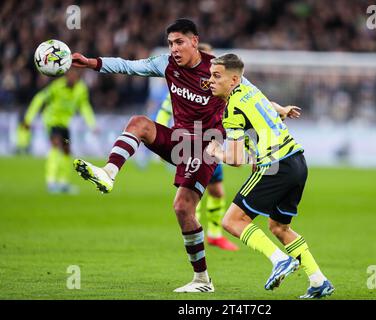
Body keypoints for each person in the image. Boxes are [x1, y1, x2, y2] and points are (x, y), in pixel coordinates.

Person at [70, 18, 297, 293]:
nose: (174, 49)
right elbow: (128, 66)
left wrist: (280, 109)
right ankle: (108, 173)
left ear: (194, 41)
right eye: (170, 43)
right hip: (178, 141)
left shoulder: (216, 71)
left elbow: (253, 96)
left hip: (206, 147)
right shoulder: (166, 64)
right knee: (139, 123)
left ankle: (202, 280)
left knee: (182, 208)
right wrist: (92, 63)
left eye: (179, 42)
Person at [205, 54, 334, 299]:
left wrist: (216, 151)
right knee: (279, 227)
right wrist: (283, 109)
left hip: (276, 166)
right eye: (211, 75)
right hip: (297, 161)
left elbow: (235, 159)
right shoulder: (249, 88)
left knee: (232, 221)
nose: (210, 80)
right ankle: (318, 281)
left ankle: (279, 260)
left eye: (216, 76)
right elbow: (268, 103)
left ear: (233, 80)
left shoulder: (232, 108)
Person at [155, 43, 237, 251]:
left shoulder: (220, 90)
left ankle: (215, 235)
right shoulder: (179, 90)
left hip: (212, 144)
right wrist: (162, 139)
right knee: (192, 194)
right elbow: (163, 113)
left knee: (217, 191)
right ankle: (193, 226)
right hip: (189, 143)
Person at [23, 69, 96, 193]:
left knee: (67, 150)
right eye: (70, 75)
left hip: (65, 125)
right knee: (56, 146)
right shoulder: (57, 86)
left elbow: (84, 106)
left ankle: (63, 182)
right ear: (66, 75)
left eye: (75, 75)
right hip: (52, 122)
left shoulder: (81, 89)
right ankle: (51, 182)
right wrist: (28, 119)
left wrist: (92, 124)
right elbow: (39, 98)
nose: (72, 77)